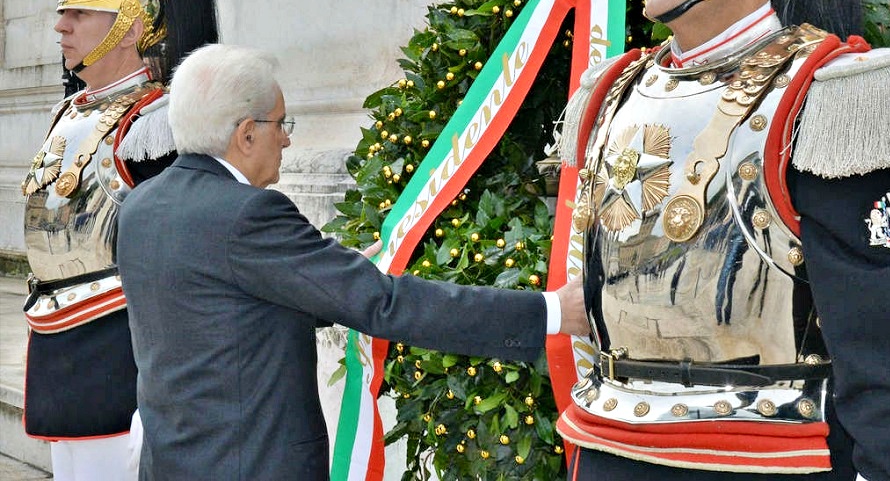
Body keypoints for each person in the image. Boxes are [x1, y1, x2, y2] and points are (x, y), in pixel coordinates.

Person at [554, 0, 890, 480]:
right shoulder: (613, 89)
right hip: (606, 440)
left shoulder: (832, 96)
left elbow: (883, 355)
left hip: (763, 457)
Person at [115, 43, 590, 481]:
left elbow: (216, 305)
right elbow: (385, 305)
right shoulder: (248, 213)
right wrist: (548, 312)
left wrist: (328, 277)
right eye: (281, 124)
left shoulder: (139, 207)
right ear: (245, 134)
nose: (286, 141)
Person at [20, 0, 218, 481]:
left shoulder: (157, 121)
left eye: (80, 12)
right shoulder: (72, 110)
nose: (61, 25)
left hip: (122, 346)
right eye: (64, 10)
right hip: (55, 337)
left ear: (131, 27)